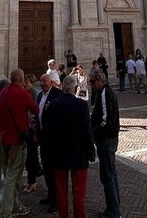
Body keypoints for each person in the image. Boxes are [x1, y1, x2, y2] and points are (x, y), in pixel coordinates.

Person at [44, 75, 95, 218]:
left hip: (58, 154)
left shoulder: (53, 105)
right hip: (79, 154)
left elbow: (48, 130)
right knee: (79, 193)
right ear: (76, 88)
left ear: (62, 87)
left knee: (61, 192)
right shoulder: (82, 105)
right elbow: (87, 130)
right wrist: (91, 151)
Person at [0, 68, 40, 218]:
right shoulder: (21, 93)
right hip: (16, 139)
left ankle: (14, 205)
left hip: (4, 139)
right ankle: (6, 211)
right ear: (21, 80)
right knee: (12, 176)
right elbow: (36, 109)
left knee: (11, 174)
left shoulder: (3, 92)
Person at [89, 70, 121, 218]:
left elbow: (105, 120)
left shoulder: (104, 93)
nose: (92, 86)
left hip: (107, 139)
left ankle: (113, 212)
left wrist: (94, 133)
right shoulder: (105, 92)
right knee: (111, 173)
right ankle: (115, 206)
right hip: (109, 138)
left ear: (100, 80)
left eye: (93, 82)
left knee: (107, 176)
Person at [36, 73, 63, 213]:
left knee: (54, 171)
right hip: (43, 139)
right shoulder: (39, 95)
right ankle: (50, 195)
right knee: (47, 169)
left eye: (45, 81)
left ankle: (57, 200)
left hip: (54, 140)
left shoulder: (58, 94)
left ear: (51, 82)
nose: (43, 83)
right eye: (41, 81)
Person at [22, 74, 42, 194]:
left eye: (27, 83)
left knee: (31, 156)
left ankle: (32, 180)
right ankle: (32, 178)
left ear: (32, 84)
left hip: (33, 130)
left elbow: (36, 111)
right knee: (29, 156)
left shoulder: (35, 95)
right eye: (24, 82)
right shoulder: (25, 93)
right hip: (27, 129)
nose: (24, 85)